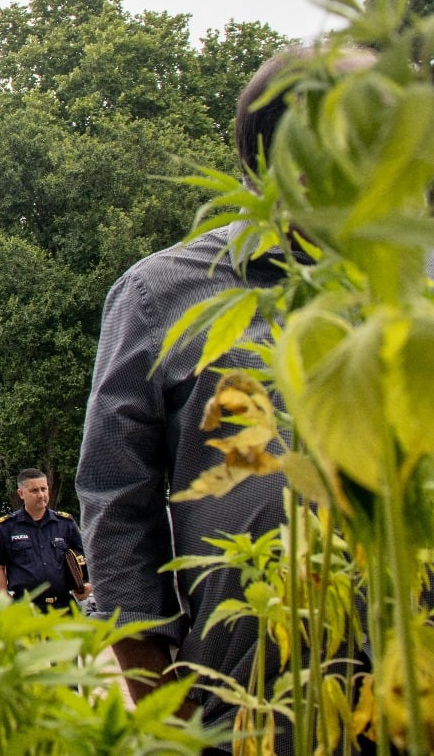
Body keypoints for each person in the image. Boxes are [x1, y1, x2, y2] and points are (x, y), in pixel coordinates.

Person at [75, 46, 374, 746]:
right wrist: (159, 699)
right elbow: (117, 505)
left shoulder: (412, 283)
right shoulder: (163, 295)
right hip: (252, 702)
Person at [0, 468, 87, 610]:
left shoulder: (65, 523)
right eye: (34, 491)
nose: (41, 495)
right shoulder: (6, 527)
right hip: (25, 608)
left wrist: (88, 585)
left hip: (63, 606)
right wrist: (3, 595)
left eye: (44, 489)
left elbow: (86, 556)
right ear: (21, 494)